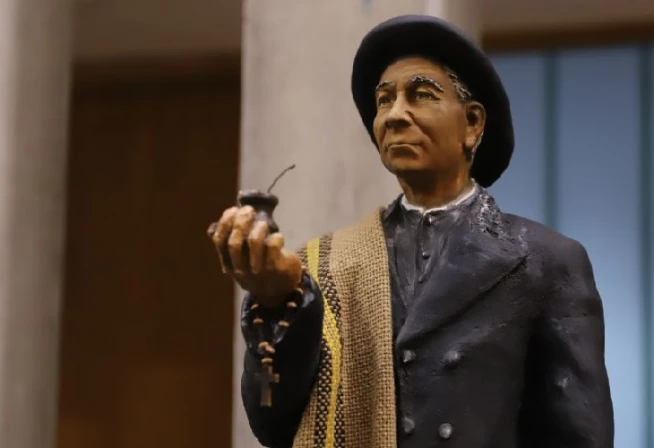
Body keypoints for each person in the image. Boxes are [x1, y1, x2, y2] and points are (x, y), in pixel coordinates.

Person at [209, 15, 614, 448]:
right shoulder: (324, 266)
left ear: (472, 123)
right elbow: (271, 422)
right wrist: (278, 303)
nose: (395, 115)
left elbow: (580, 435)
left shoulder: (546, 261)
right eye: (384, 100)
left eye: (421, 95)